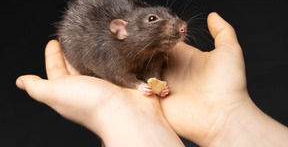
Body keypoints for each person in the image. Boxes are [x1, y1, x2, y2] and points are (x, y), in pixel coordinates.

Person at [16, 12, 288, 146]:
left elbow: (156, 65)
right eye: (153, 18)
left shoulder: (154, 52)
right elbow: (117, 73)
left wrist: (228, 114)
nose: (179, 25)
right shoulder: (113, 49)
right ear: (122, 31)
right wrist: (134, 85)